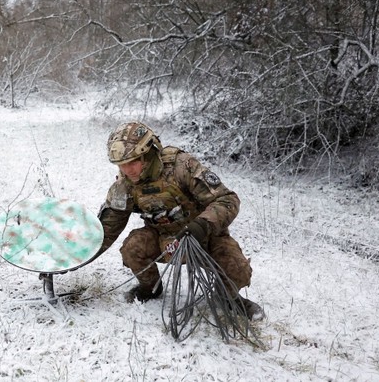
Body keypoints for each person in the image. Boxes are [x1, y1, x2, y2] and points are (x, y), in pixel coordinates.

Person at [97, 121, 264, 320]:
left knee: (237, 268)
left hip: (203, 236)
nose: (127, 170)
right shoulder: (124, 185)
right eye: (121, 165)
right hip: (164, 240)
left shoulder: (181, 167)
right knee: (133, 248)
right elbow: (108, 227)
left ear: (148, 154)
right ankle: (150, 288)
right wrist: (74, 258)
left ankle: (228, 298)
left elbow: (227, 199)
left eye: (132, 162)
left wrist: (201, 225)